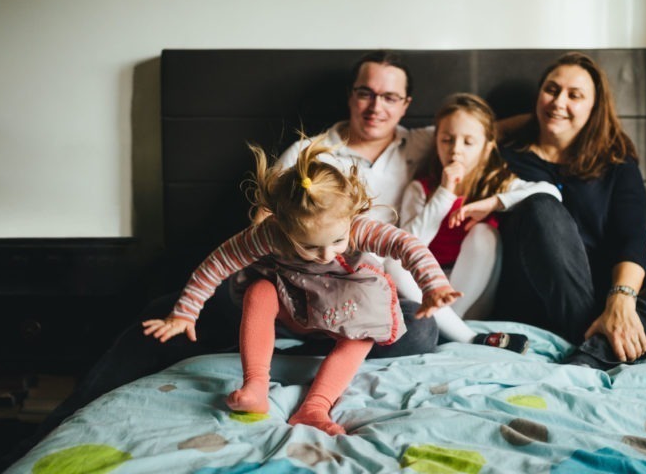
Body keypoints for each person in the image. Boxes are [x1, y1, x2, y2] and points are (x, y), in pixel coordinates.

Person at [0, 49, 442, 468]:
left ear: (406, 104)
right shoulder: (306, 156)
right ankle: (50, 430)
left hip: (351, 299)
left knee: (423, 328)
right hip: (287, 291)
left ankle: (310, 359)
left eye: (389, 96)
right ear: (351, 95)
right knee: (164, 317)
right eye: (365, 92)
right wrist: (195, 306)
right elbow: (255, 235)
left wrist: (434, 282)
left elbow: (488, 129)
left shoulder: (426, 143)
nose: (375, 106)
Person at [143, 138, 460, 435]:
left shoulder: (356, 225)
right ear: (283, 227)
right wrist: (184, 313)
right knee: (258, 290)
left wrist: (433, 286)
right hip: (293, 306)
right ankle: (255, 385)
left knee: (374, 331)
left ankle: (315, 406)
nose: (326, 255)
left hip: (346, 309)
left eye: (337, 241)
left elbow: (407, 245)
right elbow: (218, 263)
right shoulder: (269, 233)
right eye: (309, 247)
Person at [494, 52, 646, 369]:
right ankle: (597, 343)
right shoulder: (504, 158)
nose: (559, 102)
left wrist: (621, 298)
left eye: (575, 96)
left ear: (594, 108)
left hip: (608, 288)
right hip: (540, 295)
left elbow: (631, 237)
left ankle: (597, 350)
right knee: (540, 205)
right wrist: (530, 119)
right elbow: (457, 134)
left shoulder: (615, 161)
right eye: (551, 90)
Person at [386, 92, 562, 351]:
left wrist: (493, 203)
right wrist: (444, 192)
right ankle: (462, 335)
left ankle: (449, 328)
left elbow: (551, 192)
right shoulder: (420, 189)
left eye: (468, 142)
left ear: (487, 146)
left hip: (474, 294)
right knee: (392, 262)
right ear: (436, 142)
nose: (456, 150)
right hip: (428, 289)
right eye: (447, 140)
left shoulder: (496, 185)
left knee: (483, 233)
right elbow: (407, 245)